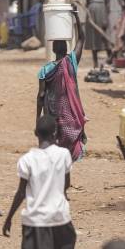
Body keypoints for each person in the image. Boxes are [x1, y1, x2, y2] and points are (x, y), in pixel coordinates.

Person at [1, 115, 76, 249]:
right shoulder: (63, 155)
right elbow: (66, 184)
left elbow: (21, 192)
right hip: (60, 218)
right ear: (55, 133)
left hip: (36, 221)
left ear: (36, 133)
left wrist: (9, 217)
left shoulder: (27, 160)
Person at [36, 12, 87, 161]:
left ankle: (56, 175)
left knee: (54, 147)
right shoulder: (71, 61)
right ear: (66, 49)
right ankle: (66, 174)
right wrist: (77, 16)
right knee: (69, 146)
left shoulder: (45, 70)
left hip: (53, 115)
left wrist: (38, 118)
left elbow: (41, 96)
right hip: (70, 114)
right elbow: (82, 38)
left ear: (52, 50)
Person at [85, 0, 111, 71]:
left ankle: (110, 59)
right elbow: (87, 2)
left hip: (101, 13)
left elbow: (108, 2)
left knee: (103, 36)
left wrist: (106, 17)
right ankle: (95, 62)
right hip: (91, 14)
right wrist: (88, 17)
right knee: (93, 38)